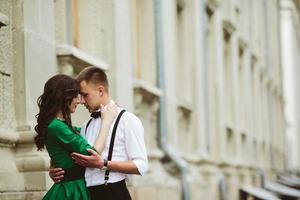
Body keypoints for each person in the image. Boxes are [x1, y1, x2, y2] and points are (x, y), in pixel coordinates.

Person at [50, 67, 149, 200]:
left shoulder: (128, 120)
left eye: (85, 95)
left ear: (100, 91)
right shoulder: (87, 125)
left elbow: (141, 166)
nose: (81, 101)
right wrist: (55, 168)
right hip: (87, 193)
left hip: (113, 192)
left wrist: (104, 164)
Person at [34, 74, 118, 200]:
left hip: (74, 187)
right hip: (71, 191)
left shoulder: (61, 125)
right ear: (64, 97)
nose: (79, 101)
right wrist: (106, 122)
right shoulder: (57, 126)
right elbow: (91, 154)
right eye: (76, 96)